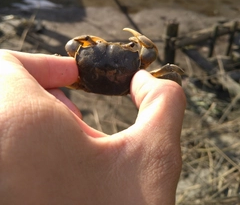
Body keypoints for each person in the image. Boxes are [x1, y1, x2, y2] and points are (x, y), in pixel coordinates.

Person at [0, 49, 186, 205]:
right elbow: (151, 53)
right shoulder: (136, 59)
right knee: (170, 73)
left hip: (80, 82)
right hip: (130, 86)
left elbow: (70, 49)